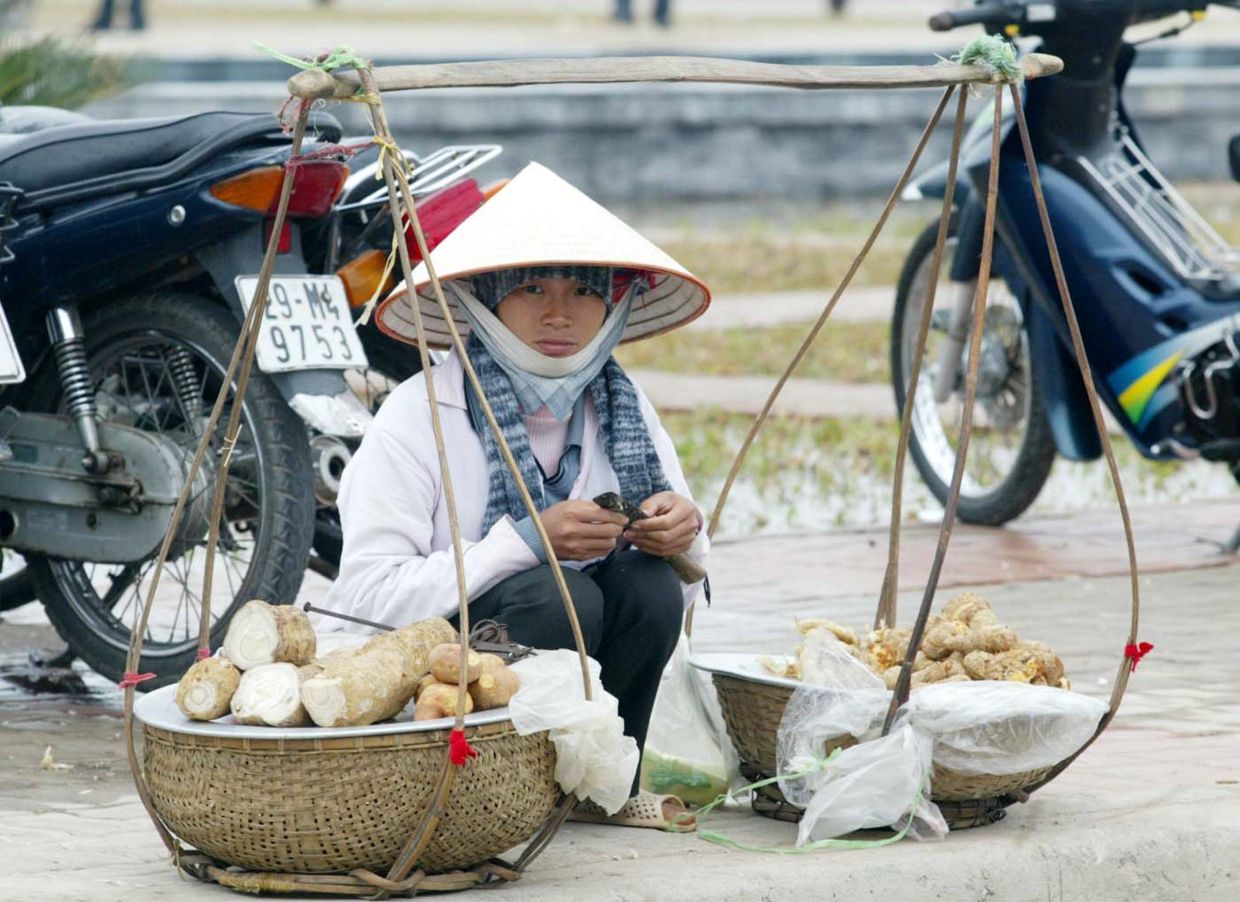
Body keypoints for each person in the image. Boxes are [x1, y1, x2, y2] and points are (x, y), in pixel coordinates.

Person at [327, 162, 711, 830]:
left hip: (575, 632)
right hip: (438, 670)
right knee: (556, 592)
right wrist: (522, 544)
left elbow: (685, 566)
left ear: (613, 305)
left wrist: (682, 530)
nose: (559, 313)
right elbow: (366, 595)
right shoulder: (418, 415)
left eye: (584, 292)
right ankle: (500, 792)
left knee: (648, 585)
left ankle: (601, 786)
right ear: (487, 299)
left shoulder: (622, 405)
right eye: (531, 288)